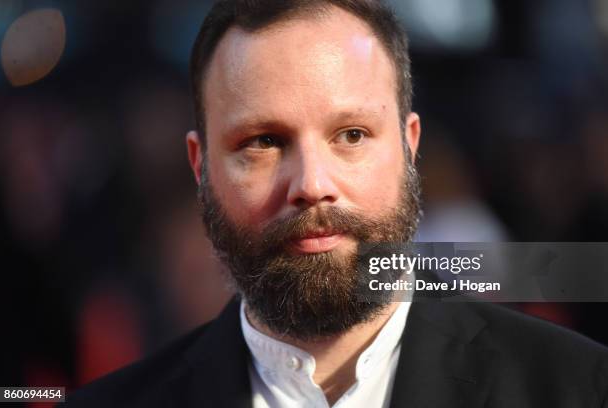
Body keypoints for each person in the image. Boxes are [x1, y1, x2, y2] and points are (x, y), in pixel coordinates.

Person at [64, 0, 608, 407]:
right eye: (263, 142)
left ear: (409, 147)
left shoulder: (577, 388)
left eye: (350, 135)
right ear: (200, 168)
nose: (311, 182)